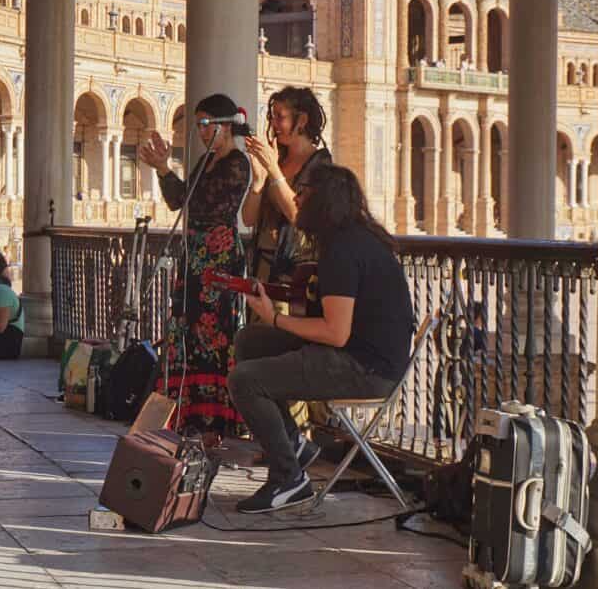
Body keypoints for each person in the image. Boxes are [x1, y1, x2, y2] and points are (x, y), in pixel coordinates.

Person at [228, 165, 415, 513]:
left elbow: (335, 331)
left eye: (304, 192)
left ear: (323, 200)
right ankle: (294, 444)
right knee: (250, 341)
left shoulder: (344, 249)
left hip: (365, 369)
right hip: (359, 355)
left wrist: (277, 317)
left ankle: (288, 479)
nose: (296, 198)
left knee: (245, 380)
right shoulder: (350, 239)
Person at [138, 93, 252, 447]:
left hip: (217, 261)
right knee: (187, 331)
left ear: (224, 125)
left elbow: (206, 203)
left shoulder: (237, 163)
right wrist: (161, 169)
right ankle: (187, 416)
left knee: (212, 334)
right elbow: (180, 200)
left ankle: (213, 422)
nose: (201, 132)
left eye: (206, 124)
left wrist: (168, 168)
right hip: (194, 257)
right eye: (198, 125)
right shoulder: (205, 162)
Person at [242, 87, 332, 313]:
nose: (273, 124)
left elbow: (298, 215)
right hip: (262, 267)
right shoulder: (277, 158)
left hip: (292, 274)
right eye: (271, 117)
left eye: (280, 117)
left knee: (279, 337)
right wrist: (258, 182)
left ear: (301, 120)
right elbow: (248, 218)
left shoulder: (319, 164)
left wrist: (272, 169)